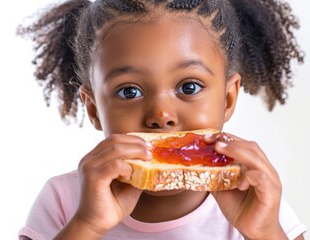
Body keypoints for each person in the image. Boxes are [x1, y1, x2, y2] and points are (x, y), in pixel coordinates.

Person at [17, 0, 307, 239]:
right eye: (129, 91)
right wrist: (87, 225)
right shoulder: (64, 200)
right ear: (93, 110)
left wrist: (265, 232)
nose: (161, 115)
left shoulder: (256, 198)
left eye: (189, 87)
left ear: (228, 98)